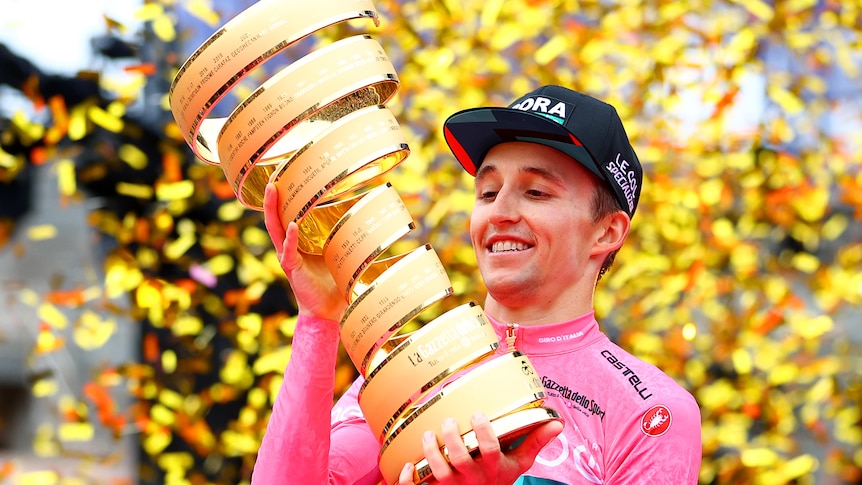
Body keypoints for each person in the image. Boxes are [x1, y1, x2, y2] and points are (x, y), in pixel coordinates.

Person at [253, 85, 702, 484]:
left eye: (536, 192)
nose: (498, 211)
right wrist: (318, 322)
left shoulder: (651, 412)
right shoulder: (416, 369)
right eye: (487, 192)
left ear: (606, 232)